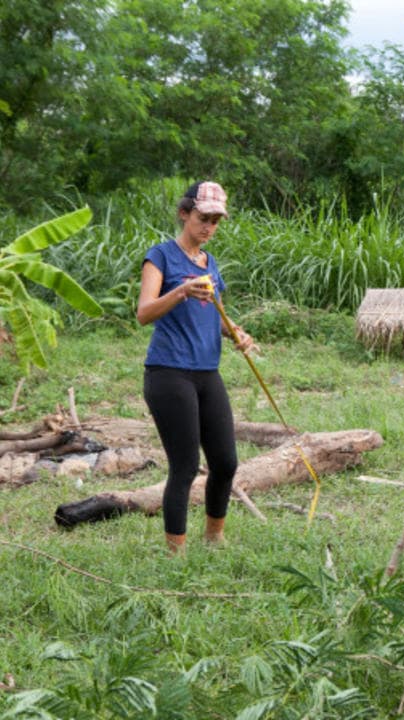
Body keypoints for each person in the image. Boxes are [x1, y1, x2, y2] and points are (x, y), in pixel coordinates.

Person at [136, 181, 254, 554]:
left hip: (207, 372)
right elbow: (143, 313)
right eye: (203, 218)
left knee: (226, 462)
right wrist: (181, 291)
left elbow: (214, 311)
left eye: (216, 221)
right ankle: (176, 550)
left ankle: (215, 538)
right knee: (185, 466)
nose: (209, 227)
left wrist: (235, 331)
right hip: (168, 372)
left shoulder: (209, 262)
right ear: (184, 214)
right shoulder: (161, 257)